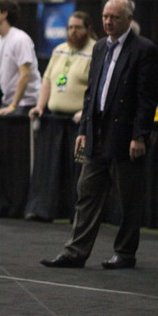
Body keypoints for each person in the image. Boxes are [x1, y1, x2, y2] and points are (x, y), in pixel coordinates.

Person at [41, 0, 158, 270]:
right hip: (97, 133)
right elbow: (91, 93)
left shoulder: (144, 50)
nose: (108, 21)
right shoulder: (99, 48)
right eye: (105, 16)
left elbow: (147, 99)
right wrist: (84, 130)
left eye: (114, 17)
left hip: (126, 136)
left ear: (128, 19)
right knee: (86, 193)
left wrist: (139, 135)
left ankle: (125, 253)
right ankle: (75, 252)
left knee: (128, 199)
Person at [25, 12, 96, 222]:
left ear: (88, 29)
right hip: (54, 120)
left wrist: (86, 111)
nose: (73, 32)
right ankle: (44, 211)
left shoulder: (96, 51)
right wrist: (40, 106)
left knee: (78, 172)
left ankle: (79, 215)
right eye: (70, 28)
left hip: (79, 123)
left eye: (78, 28)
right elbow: (47, 80)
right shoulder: (59, 50)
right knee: (51, 169)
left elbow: (98, 88)